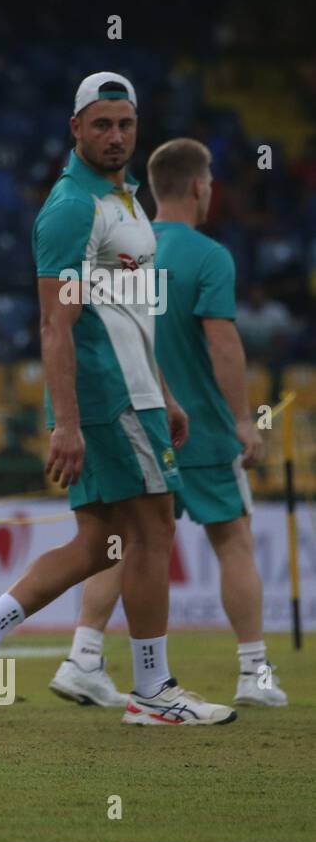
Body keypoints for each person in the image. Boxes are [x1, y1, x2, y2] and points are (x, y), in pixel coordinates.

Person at [0, 72, 235, 726]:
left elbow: (132, 309)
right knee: (153, 531)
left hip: (137, 391)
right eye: (101, 123)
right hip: (107, 396)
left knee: (103, 544)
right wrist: (66, 421)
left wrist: (167, 393)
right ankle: (154, 691)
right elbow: (54, 322)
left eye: (125, 123)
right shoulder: (73, 207)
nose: (115, 135)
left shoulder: (124, 200)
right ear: (75, 128)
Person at [49, 137, 286, 708]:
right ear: (202, 186)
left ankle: (84, 656)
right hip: (198, 425)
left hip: (134, 416)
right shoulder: (210, 256)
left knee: (123, 542)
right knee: (233, 541)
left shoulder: (126, 242)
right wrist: (243, 420)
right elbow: (223, 342)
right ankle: (253, 672)